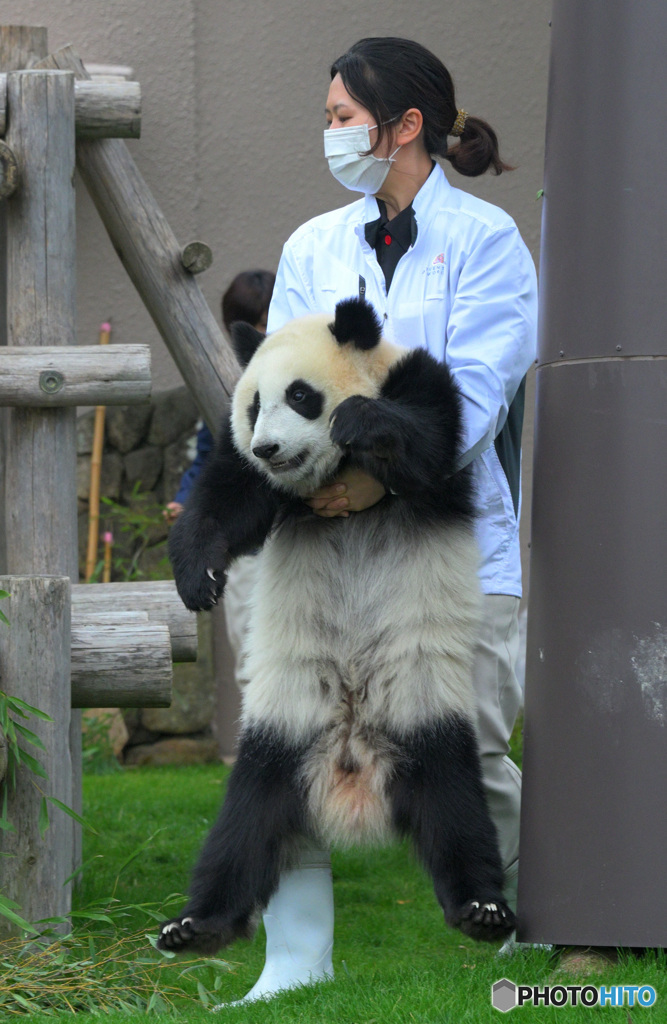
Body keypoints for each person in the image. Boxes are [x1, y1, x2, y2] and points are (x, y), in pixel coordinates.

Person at [220, 36, 537, 1005]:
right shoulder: (313, 249)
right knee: (289, 745)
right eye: (328, 119)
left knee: (469, 751)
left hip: (450, 552)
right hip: (325, 551)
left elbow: (474, 397)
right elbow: (292, 384)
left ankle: (539, 929)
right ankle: (296, 959)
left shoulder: (489, 245)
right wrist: (337, 485)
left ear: (405, 128)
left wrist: (381, 480)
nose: (330, 135)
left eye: (341, 119)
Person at [166, 269, 275, 683]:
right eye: (257, 324)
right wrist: (185, 499)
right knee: (252, 656)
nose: (266, 333)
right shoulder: (226, 380)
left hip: (299, 530)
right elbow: (208, 457)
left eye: (270, 320)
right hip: (247, 535)